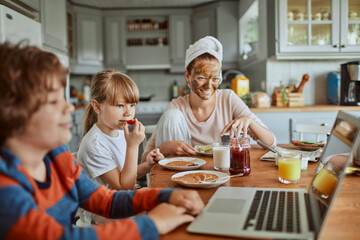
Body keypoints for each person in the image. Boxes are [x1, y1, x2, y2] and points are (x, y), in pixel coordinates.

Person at [0, 42, 204, 239]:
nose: (69, 108)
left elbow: (103, 200)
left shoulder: (57, 155)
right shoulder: (6, 190)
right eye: (53, 101)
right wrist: (153, 224)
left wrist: (163, 196)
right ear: (14, 113)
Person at [142, 36, 276, 161]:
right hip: (187, 173)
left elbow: (271, 142)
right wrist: (167, 147)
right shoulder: (177, 107)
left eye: (215, 78)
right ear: (188, 75)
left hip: (223, 169)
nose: (208, 86)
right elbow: (144, 159)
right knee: (172, 115)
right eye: (201, 78)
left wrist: (249, 121)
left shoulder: (228, 98)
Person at [77, 70, 163, 190]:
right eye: (120, 105)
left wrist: (148, 165)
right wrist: (132, 146)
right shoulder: (95, 144)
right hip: (106, 206)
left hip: (121, 198)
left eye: (132, 105)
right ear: (97, 106)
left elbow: (127, 174)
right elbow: (124, 186)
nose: (128, 112)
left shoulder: (120, 132)